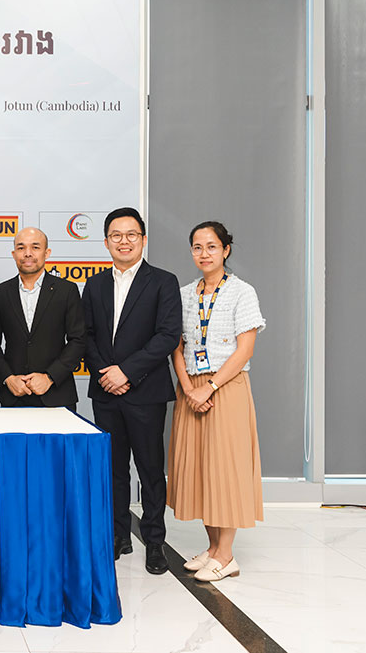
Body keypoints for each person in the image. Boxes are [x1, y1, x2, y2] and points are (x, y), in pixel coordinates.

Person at [82, 207, 181, 575]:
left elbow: (167, 335)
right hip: (105, 391)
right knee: (112, 469)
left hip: (145, 391)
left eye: (131, 235)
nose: (124, 241)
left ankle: (154, 542)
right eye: (116, 236)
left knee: (150, 469)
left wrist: (126, 371)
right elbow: (85, 336)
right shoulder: (94, 284)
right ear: (106, 241)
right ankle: (117, 534)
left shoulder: (163, 282)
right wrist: (106, 374)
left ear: (143, 239)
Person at [168, 221, 265, 582]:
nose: (204, 253)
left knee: (226, 468)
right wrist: (188, 388)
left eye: (211, 246)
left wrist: (208, 387)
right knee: (200, 469)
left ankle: (226, 556)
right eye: (197, 247)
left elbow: (245, 349)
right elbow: (176, 347)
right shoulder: (183, 294)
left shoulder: (242, 292)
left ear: (226, 250)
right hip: (191, 389)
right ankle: (211, 548)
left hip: (225, 387)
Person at [0, 227, 85, 410]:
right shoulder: (1, 292)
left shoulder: (66, 290)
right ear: (14, 254)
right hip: (14, 395)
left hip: (57, 395)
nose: (27, 253)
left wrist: (50, 377)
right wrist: (8, 378)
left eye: (35, 247)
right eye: (21, 248)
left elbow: (79, 340)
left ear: (47, 253)